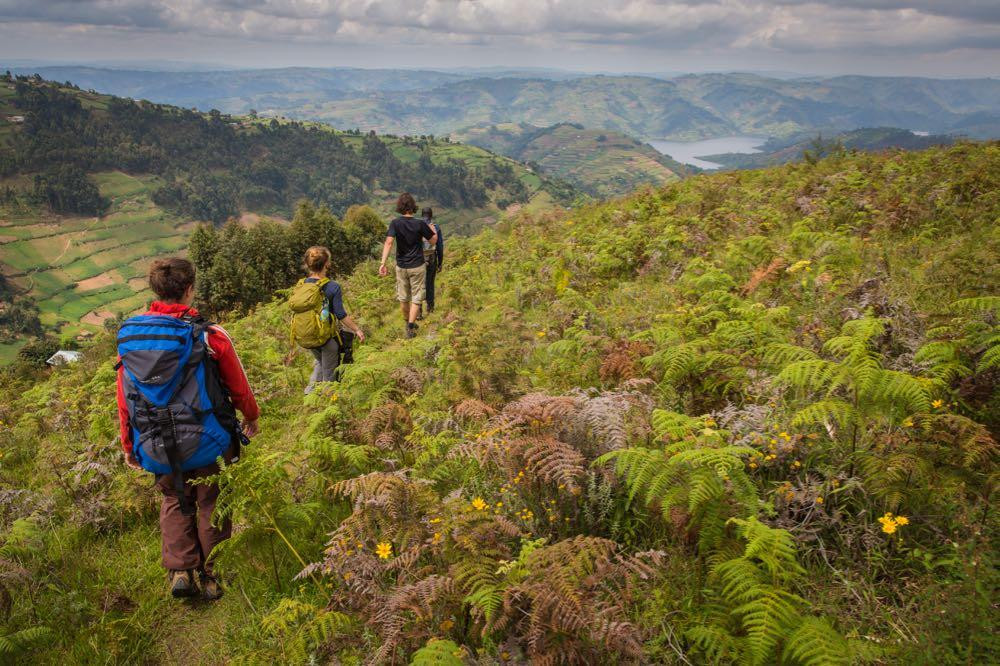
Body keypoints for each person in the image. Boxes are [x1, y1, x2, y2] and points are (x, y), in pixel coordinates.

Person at [116, 258, 260, 601]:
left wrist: (129, 445)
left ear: (155, 290)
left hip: (155, 442)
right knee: (211, 498)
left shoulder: (133, 340)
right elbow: (238, 386)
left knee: (173, 498)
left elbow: (124, 400)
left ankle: (181, 570)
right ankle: (213, 574)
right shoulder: (209, 336)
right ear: (190, 289)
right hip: (208, 439)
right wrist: (251, 416)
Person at [299, 246, 365, 393]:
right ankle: (328, 398)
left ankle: (309, 394)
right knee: (329, 373)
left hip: (307, 336)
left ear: (308, 264)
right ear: (327, 264)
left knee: (320, 362)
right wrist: (357, 329)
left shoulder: (302, 285)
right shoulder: (332, 286)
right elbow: (340, 315)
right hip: (325, 338)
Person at [379, 192, 436, 338]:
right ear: (413, 206)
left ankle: (407, 323)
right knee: (417, 297)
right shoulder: (420, 224)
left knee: (403, 297)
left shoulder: (395, 223)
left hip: (401, 266)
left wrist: (383, 263)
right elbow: (433, 241)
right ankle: (411, 326)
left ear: (400, 206)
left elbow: (389, 242)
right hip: (417, 265)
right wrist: (433, 230)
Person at [420, 207, 444, 316]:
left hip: (419, 259)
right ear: (431, 215)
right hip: (432, 258)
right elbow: (440, 246)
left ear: (422, 215)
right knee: (430, 283)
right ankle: (430, 308)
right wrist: (440, 262)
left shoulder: (417, 226)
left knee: (419, 285)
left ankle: (418, 312)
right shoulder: (436, 227)